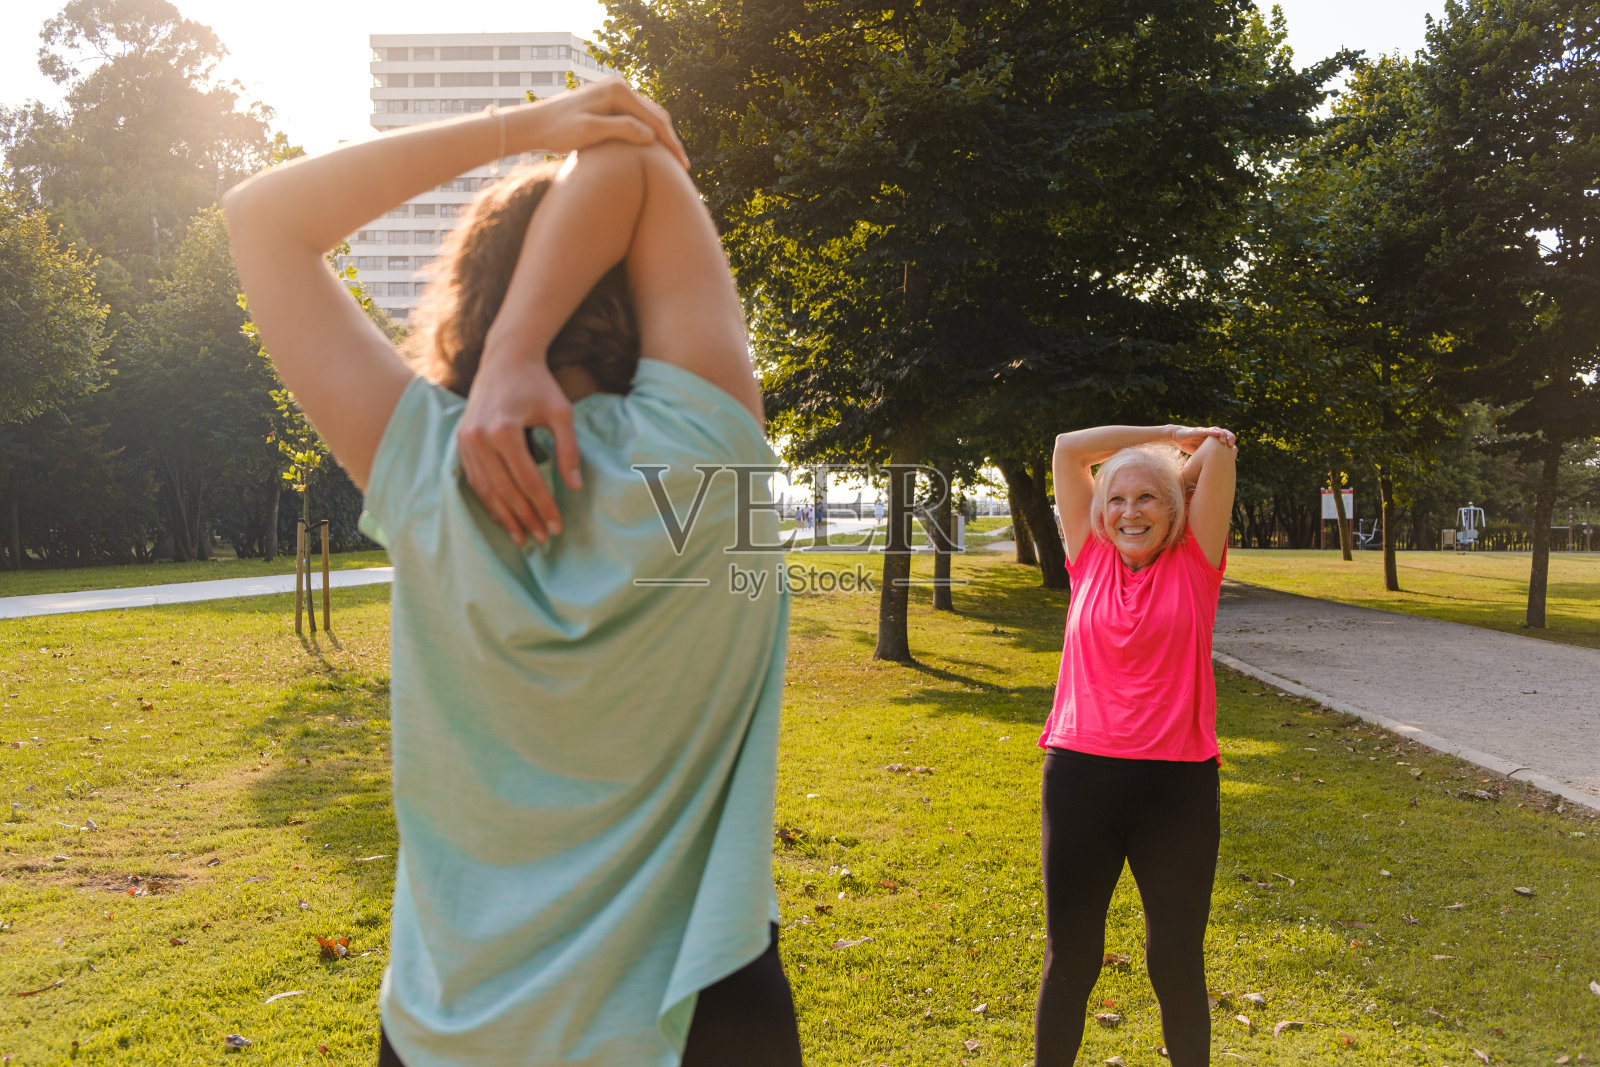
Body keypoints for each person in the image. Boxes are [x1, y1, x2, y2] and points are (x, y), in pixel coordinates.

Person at [223, 81, 803, 1067]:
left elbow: (262, 216)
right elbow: (632, 159)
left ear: (474, 297)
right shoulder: (705, 451)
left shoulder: (419, 461)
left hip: (451, 1034)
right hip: (696, 1023)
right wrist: (523, 344)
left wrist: (524, 128)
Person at [1034, 423, 1238, 1067]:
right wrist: (1166, 438)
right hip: (1079, 781)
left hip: (1176, 788)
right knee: (1071, 958)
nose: (1130, 512)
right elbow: (1068, 448)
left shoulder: (1197, 559)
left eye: (1147, 498)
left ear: (1175, 508)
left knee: (1175, 960)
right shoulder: (1087, 554)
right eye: (1116, 499)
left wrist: (1169, 474)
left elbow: (1220, 448)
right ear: (1100, 510)